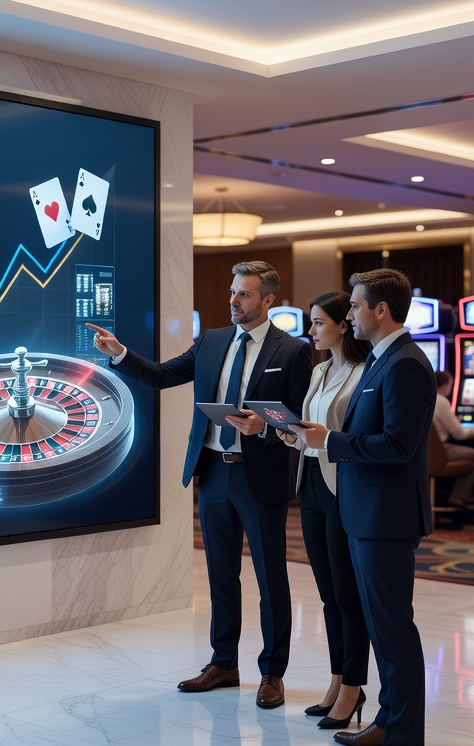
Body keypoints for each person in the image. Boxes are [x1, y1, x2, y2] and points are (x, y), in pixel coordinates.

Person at [88, 260, 312, 710]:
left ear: (268, 300)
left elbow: (300, 420)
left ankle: (272, 672)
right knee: (220, 576)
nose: (233, 300)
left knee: (270, 578)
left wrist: (266, 428)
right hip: (213, 472)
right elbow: (161, 376)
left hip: (260, 475)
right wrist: (120, 353)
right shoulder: (211, 340)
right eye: (232, 291)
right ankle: (223, 663)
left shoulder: (292, 351)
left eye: (244, 294)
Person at [290, 269, 434, 746]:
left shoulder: (405, 363)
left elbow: (398, 445)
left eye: (354, 306)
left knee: (392, 630)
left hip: (385, 516)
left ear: (381, 310)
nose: (349, 314)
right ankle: (388, 721)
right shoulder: (381, 359)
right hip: (365, 512)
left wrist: (330, 440)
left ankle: (402, 733)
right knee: (381, 626)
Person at [277, 292, 372, 730]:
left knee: (346, 594)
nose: (311, 331)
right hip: (311, 481)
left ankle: (353, 686)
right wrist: (291, 435)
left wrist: (319, 438)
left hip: (341, 484)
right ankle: (337, 680)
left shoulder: (363, 372)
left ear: (342, 325)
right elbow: (311, 432)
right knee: (327, 594)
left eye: (318, 323)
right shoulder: (319, 370)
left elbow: (351, 434)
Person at [432, 371, 474, 509]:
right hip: (439, 452)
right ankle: (459, 496)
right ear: (445, 386)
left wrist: (454, 420)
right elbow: (460, 435)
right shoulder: (441, 401)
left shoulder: (422, 397)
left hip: (420, 454)